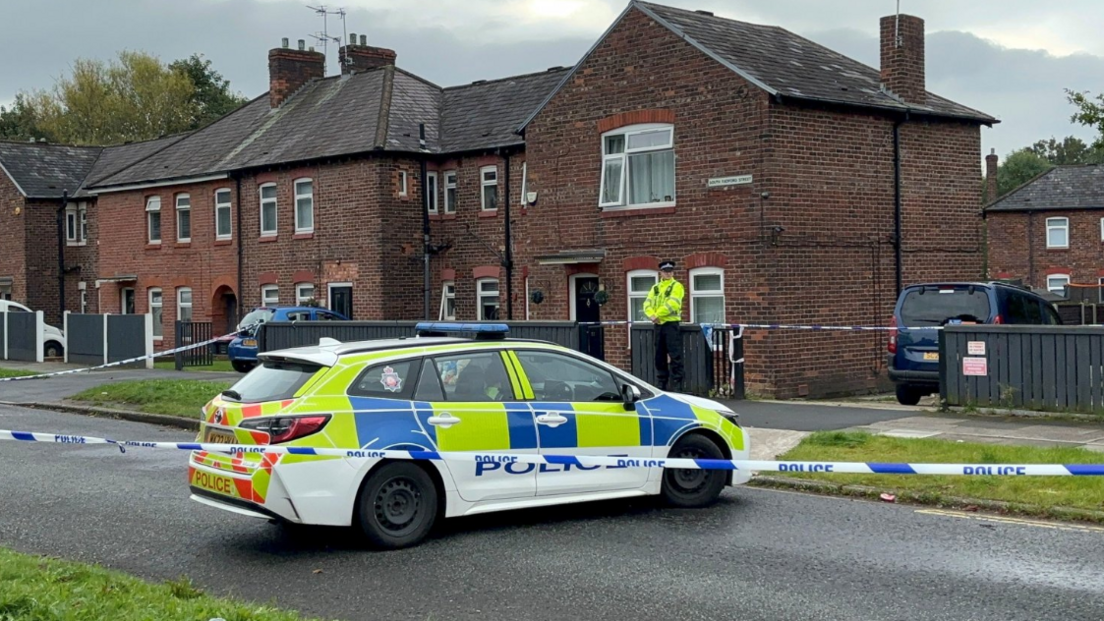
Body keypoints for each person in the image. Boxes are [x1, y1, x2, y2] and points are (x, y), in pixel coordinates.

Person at [643, 260, 685, 391]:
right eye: (666, 271)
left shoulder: (676, 286)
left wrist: (657, 315)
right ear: (660, 273)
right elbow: (646, 304)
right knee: (659, 355)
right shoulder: (655, 288)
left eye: (670, 271)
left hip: (671, 324)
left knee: (675, 355)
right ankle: (661, 383)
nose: (668, 274)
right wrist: (651, 315)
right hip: (658, 325)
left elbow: (673, 304)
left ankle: (677, 384)